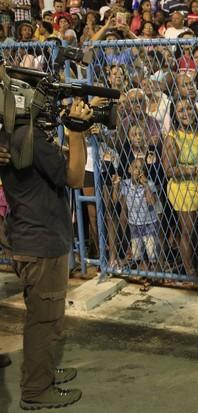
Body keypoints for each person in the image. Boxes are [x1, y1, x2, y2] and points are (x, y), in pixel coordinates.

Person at [0, 100, 93, 409]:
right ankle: (36, 390)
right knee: (44, 320)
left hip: (31, 238)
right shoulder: (30, 137)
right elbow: (75, 177)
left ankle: (43, 372)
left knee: (45, 317)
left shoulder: (12, 133)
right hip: (41, 243)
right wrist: (76, 132)